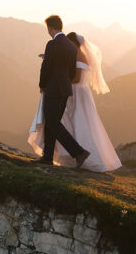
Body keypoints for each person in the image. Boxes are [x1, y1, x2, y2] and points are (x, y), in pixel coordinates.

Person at [29, 24, 121, 172]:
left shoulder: (76, 54)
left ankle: (78, 152)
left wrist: (56, 78)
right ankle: (50, 155)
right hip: (75, 92)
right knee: (61, 123)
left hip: (73, 93)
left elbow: (76, 78)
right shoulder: (77, 53)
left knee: (61, 123)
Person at [30, 15, 91, 168]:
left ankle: (78, 152)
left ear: (51, 28)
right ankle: (48, 157)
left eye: (48, 29)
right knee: (53, 122)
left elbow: (46, 67)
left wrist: (42, 84)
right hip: (65, 89)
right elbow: (71, 71)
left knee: (51, 122)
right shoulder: (71, 46)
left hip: (52, 88)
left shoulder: (52, 44)